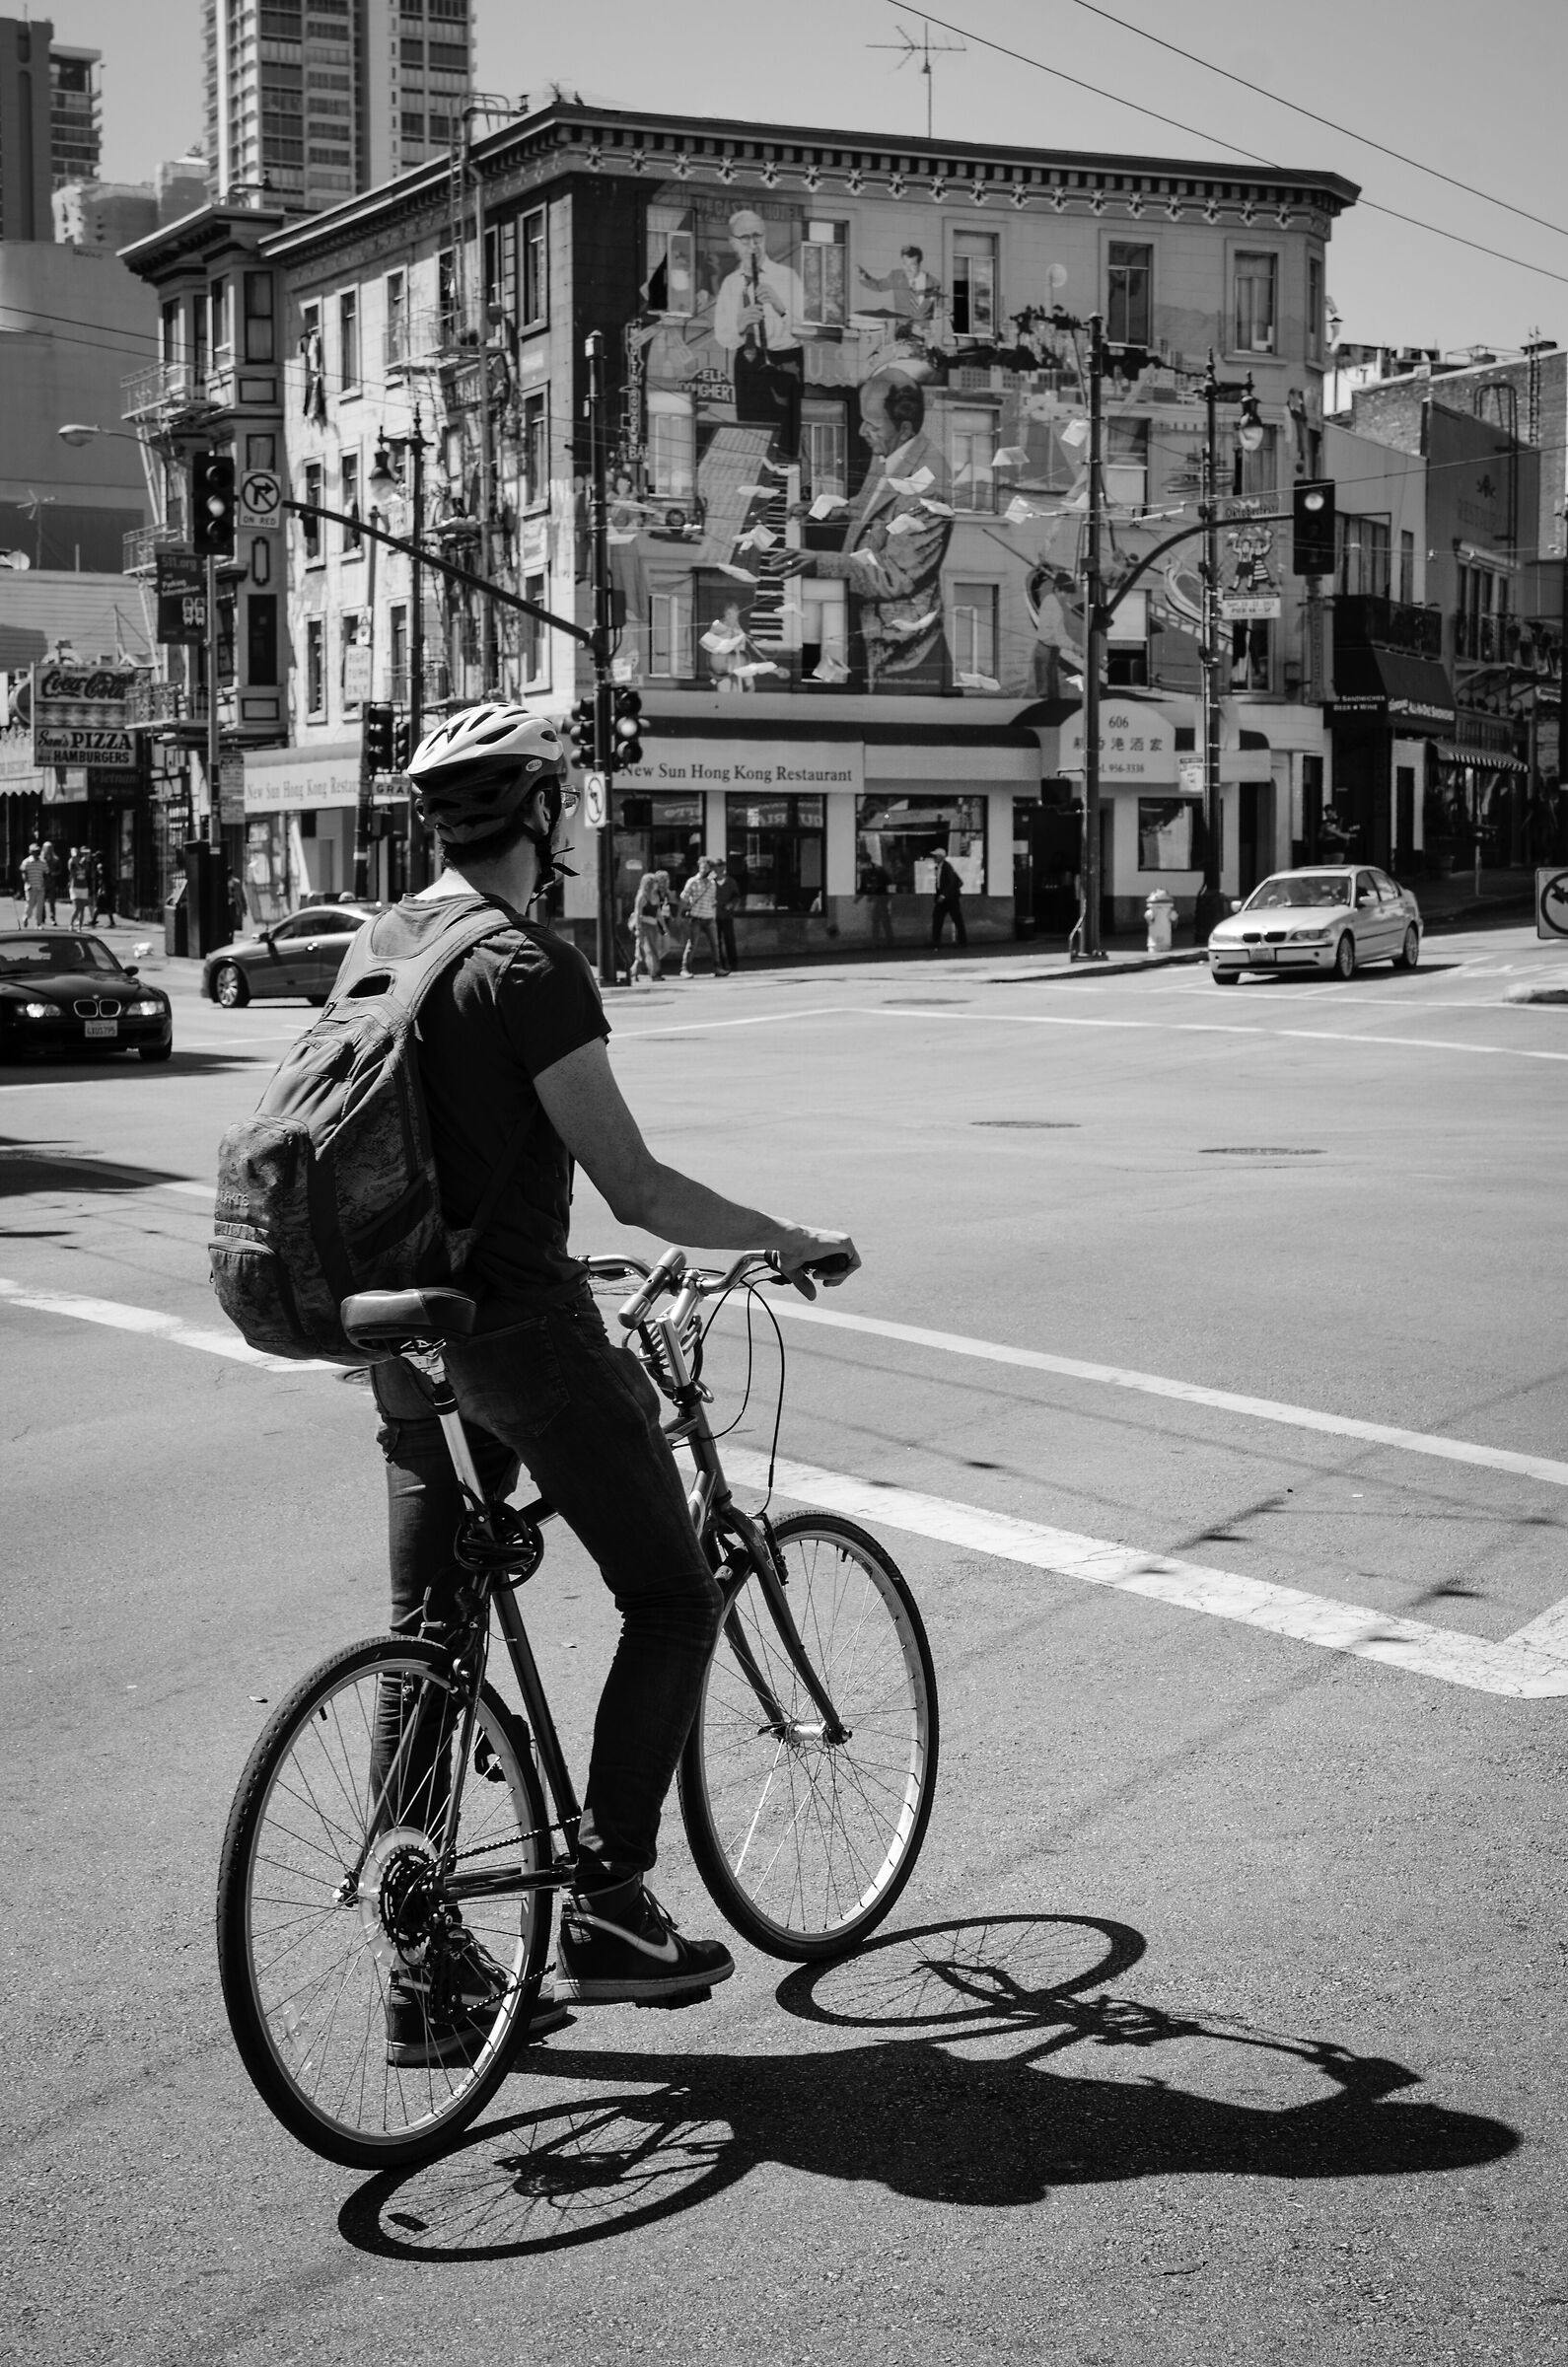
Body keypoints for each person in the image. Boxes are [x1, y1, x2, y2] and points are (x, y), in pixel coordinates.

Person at [373, 703, 857, 2049]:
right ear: (545, 814)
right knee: (671, 1593)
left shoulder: (388, 943)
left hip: (400, 1340)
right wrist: (784, 1237)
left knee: (430, 1643)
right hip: (515, 1337)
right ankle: (610, 1912)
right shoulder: (526, 966)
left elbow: (437, 1158)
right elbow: (634, 1186)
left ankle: (426, 1973)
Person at [770, 371, 953, 691]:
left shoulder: (929, 487)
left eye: (872, 425)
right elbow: (870, 507)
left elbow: (894, 575)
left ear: (905, 428)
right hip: (869, 624)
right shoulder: (893, 450)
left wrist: (820, 562)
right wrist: (821, 510)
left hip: (901, 659)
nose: (861, 431)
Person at [712, 208, 807, 453]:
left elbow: (804, 330)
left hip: (785, 363)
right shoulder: (731, 284)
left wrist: (780, 306)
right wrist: (740, 326)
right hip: (749, 363)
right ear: (733, 243)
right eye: (745, 238)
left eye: (758, 236)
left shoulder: (787, 277)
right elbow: (722, 336)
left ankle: (786, 484)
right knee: (751, 434)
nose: (753, 244)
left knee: (786, 436)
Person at [678, 854, 725, 976]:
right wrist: (684, 909)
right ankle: (685, 969)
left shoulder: (712, 883)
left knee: (715, 944)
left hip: (709, 918)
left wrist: (713, 907)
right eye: (702, 866)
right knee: (692, 944)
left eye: (706, 867)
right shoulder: (692, 881)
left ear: (709, 868)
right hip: (696, 918)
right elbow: (683, 897)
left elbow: (712, 899)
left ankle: (717, 968)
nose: (704, 869)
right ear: (699, 866)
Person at [630, 866, 672, 984]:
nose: (657, 885)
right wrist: (638, 929)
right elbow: (638, 913)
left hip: (653, 926)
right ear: (649, 884)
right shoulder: (642, 896)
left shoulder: (655, 896)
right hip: (644, 926)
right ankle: (654, 974)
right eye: (655, 882)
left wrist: (664, 927)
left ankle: (633, 973)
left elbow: (658, 913)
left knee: (644, 953)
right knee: (649, 951)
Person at [931, 845, 967, 949]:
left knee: (956, 919)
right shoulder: (940, 868)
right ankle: (936, 942)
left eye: (935, 856)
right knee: (938, 919)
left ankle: (962, 941)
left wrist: (943, 895)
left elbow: (951, 883)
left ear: (941, 857)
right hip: (945, 898)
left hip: (950, 899)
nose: (934, 858)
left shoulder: (947, 867)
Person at [858, 857, 894, 947]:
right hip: (880, 896)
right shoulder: (868, 871)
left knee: (880, 917)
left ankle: (883, 939)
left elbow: (887, 884)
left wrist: (888, 896)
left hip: (882, 896)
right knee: (878, 918)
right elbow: (865, 887)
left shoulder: (878, 871)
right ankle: (880, 939)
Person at [714, 859, 742, 971]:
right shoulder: (710, 882)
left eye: (721, 867)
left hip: (727, 916)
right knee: (717, 941)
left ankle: (733, 963)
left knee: (729, 939)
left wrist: (731, 904)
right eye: (716, 868)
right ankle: (721, 964)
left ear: (724, 868)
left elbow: (736, 896)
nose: (719, 870)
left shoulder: (731, 882)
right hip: (714, 916)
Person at [20, 841, 45, 926]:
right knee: (30, 905)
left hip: (40, 887)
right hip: (30, 887)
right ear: (31, 852)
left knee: (40, 906)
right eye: (34, 851)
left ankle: (38, 924)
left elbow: (46, 873)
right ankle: (26, 917)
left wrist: (44, 884)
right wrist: (27, 883)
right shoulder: (26, 862)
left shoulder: (42, 862)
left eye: (37, 851)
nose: (36, 853)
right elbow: (24, 873)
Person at [91, 849, 116, 926]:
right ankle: (111, 921)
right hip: (107, 888)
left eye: (96, 857)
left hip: (104, 888)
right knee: (106, 906)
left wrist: (102, 889)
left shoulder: (100, 866)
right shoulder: (105, 865)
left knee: (99, 906)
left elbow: (103, 878)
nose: (94, 859)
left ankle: (93, 921)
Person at [39, 839, 60, 924]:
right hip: (42, 882)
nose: (49, 850)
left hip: (52, 882)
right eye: (47, 848)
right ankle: (43, 917)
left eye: (50, 848)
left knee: (52, 902)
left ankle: (53, 918)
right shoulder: (41, 859)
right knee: (42, 901)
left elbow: (59, 870)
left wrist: (54, 873)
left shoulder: (56, 859)